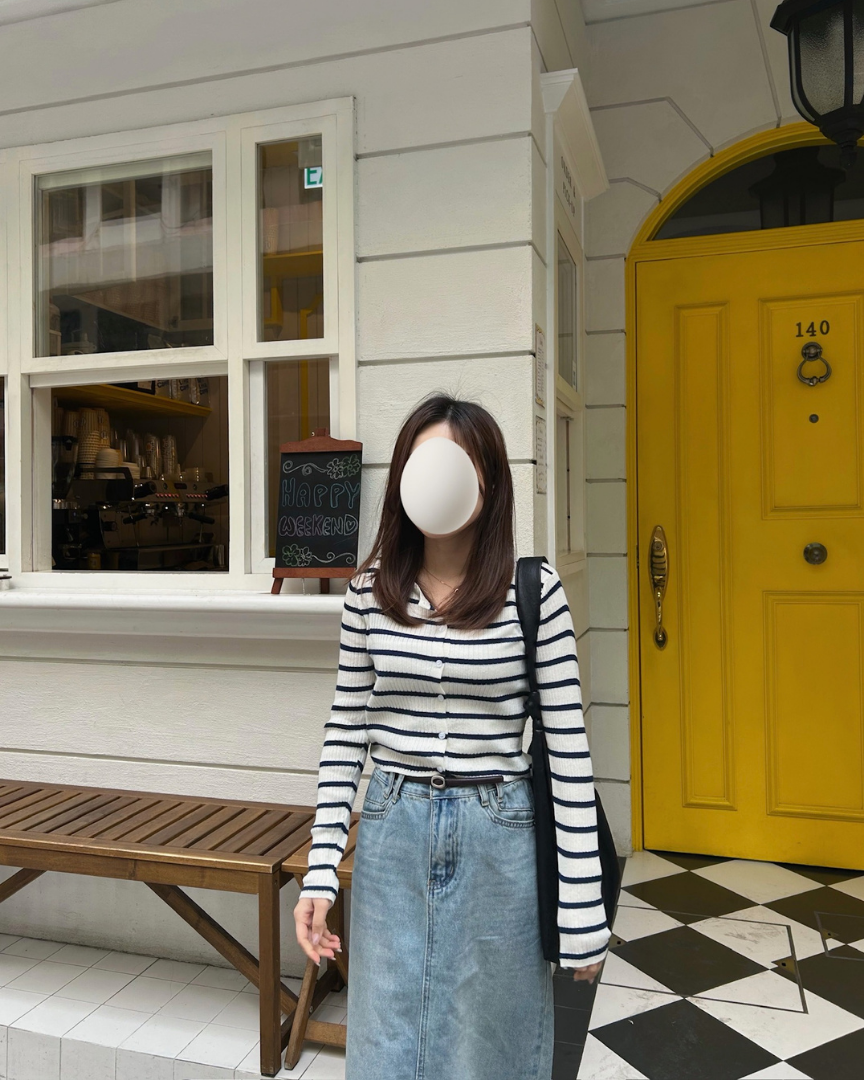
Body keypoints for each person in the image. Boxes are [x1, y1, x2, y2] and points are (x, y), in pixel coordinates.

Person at [293, 393, 610, 1080]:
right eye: (425, 461)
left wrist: (583, 908)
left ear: (489, 480)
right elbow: (345, 732)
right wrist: (320, 870)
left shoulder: (534, 592)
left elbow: (567, 748)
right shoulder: (368, 594)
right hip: (393, 828)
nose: (439, 477)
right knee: (387, 1042)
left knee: (491, 1046)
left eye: (458, 463)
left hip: (501, 832)